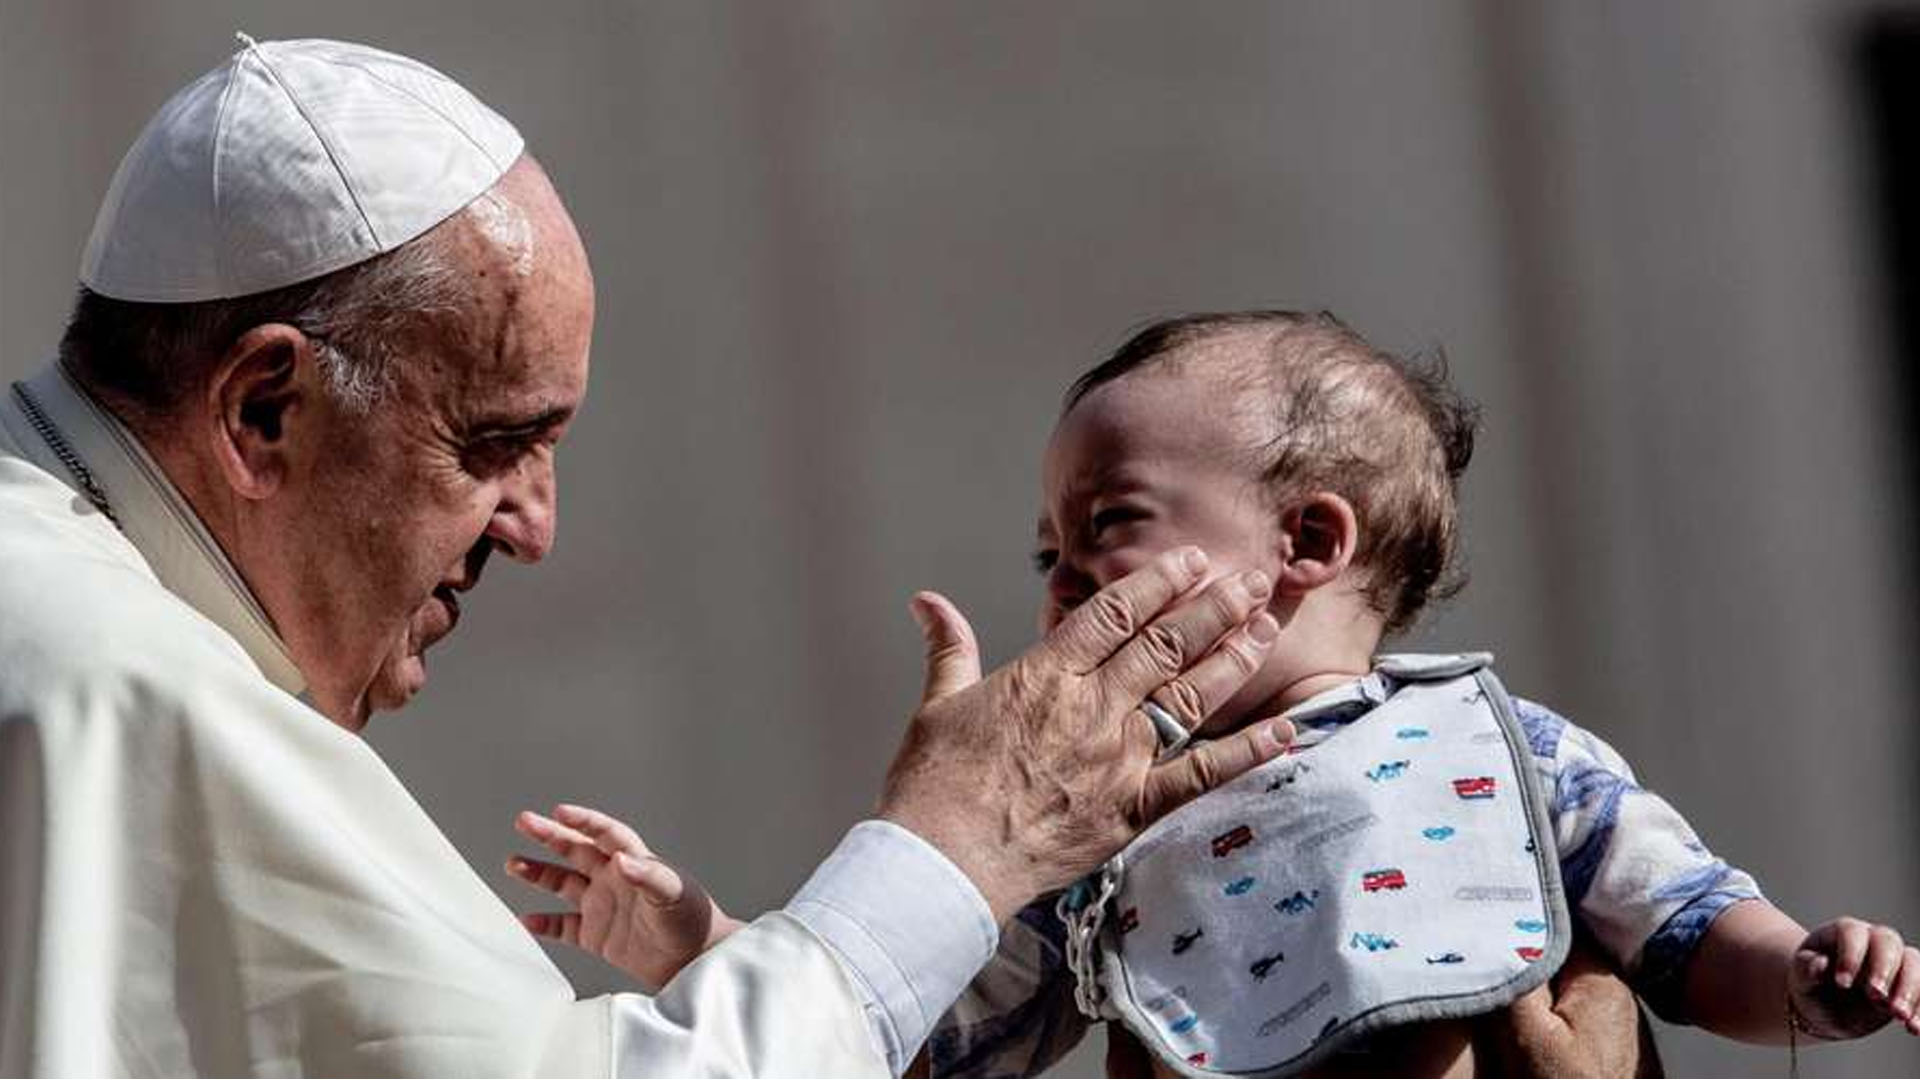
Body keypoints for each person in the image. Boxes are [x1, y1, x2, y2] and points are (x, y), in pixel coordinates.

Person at [0, 39, 1296, 1076]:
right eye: (496, 444)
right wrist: (961, 843)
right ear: (264, 411)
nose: (535, 528)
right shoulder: (124, 692)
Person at [522, 310, 1920, 1077]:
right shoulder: (1100, 822)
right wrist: (704, 947)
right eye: (1047, 554)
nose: (1066, 579)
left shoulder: (1504, 751)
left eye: (1110, 524)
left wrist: (1807, 978)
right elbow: (938, 1032)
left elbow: (1677, 924)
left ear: (1310, 543)